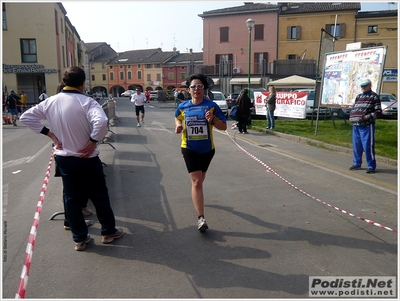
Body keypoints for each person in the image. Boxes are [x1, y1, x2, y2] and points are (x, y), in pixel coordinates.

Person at [20, 66, 123, 251]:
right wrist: (93, 141)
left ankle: (80, 238)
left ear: (65, 82)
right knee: (99, 195)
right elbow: (102, 121)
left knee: (72, 198)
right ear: (83, 83)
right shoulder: (87, 102)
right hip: (87, 157)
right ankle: (108, 232)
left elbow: (26, 117)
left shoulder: (50, 102)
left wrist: (50, 134)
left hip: (64, 158)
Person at [175, 74, 227, 232]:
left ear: (204, 89)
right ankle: (201, 218)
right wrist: (178, 125)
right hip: (189, 148)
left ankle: (197, 195)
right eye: (193, 87)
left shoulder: (211, 106)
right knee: (197, 181)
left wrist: (212, 120)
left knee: (200, 180)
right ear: (188, 90)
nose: (196, 89)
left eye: (199, 86)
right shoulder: (183, 106)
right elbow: (177, 117)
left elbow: (223, 126)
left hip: (207, 149)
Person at [54, 81, 93, 230]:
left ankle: (73, 217)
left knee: (70, 190)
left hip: (63, 154)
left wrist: (51, 135)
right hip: (75, 154)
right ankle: (71, 220)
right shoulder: (67, 106)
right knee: (72, 190)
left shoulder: (55, 106)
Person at [349, 78, 381, 174]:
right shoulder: (358, 96)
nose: (363, 87)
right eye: (362, 86)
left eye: (365, 85)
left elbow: (378, 112)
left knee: (368, 146)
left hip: (367, 126)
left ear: (370, 85)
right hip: (356, 125)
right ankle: (357, 164)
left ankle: (371, 166)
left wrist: (367, 117)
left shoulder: (374, 97)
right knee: (356, 146)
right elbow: (354, 108)